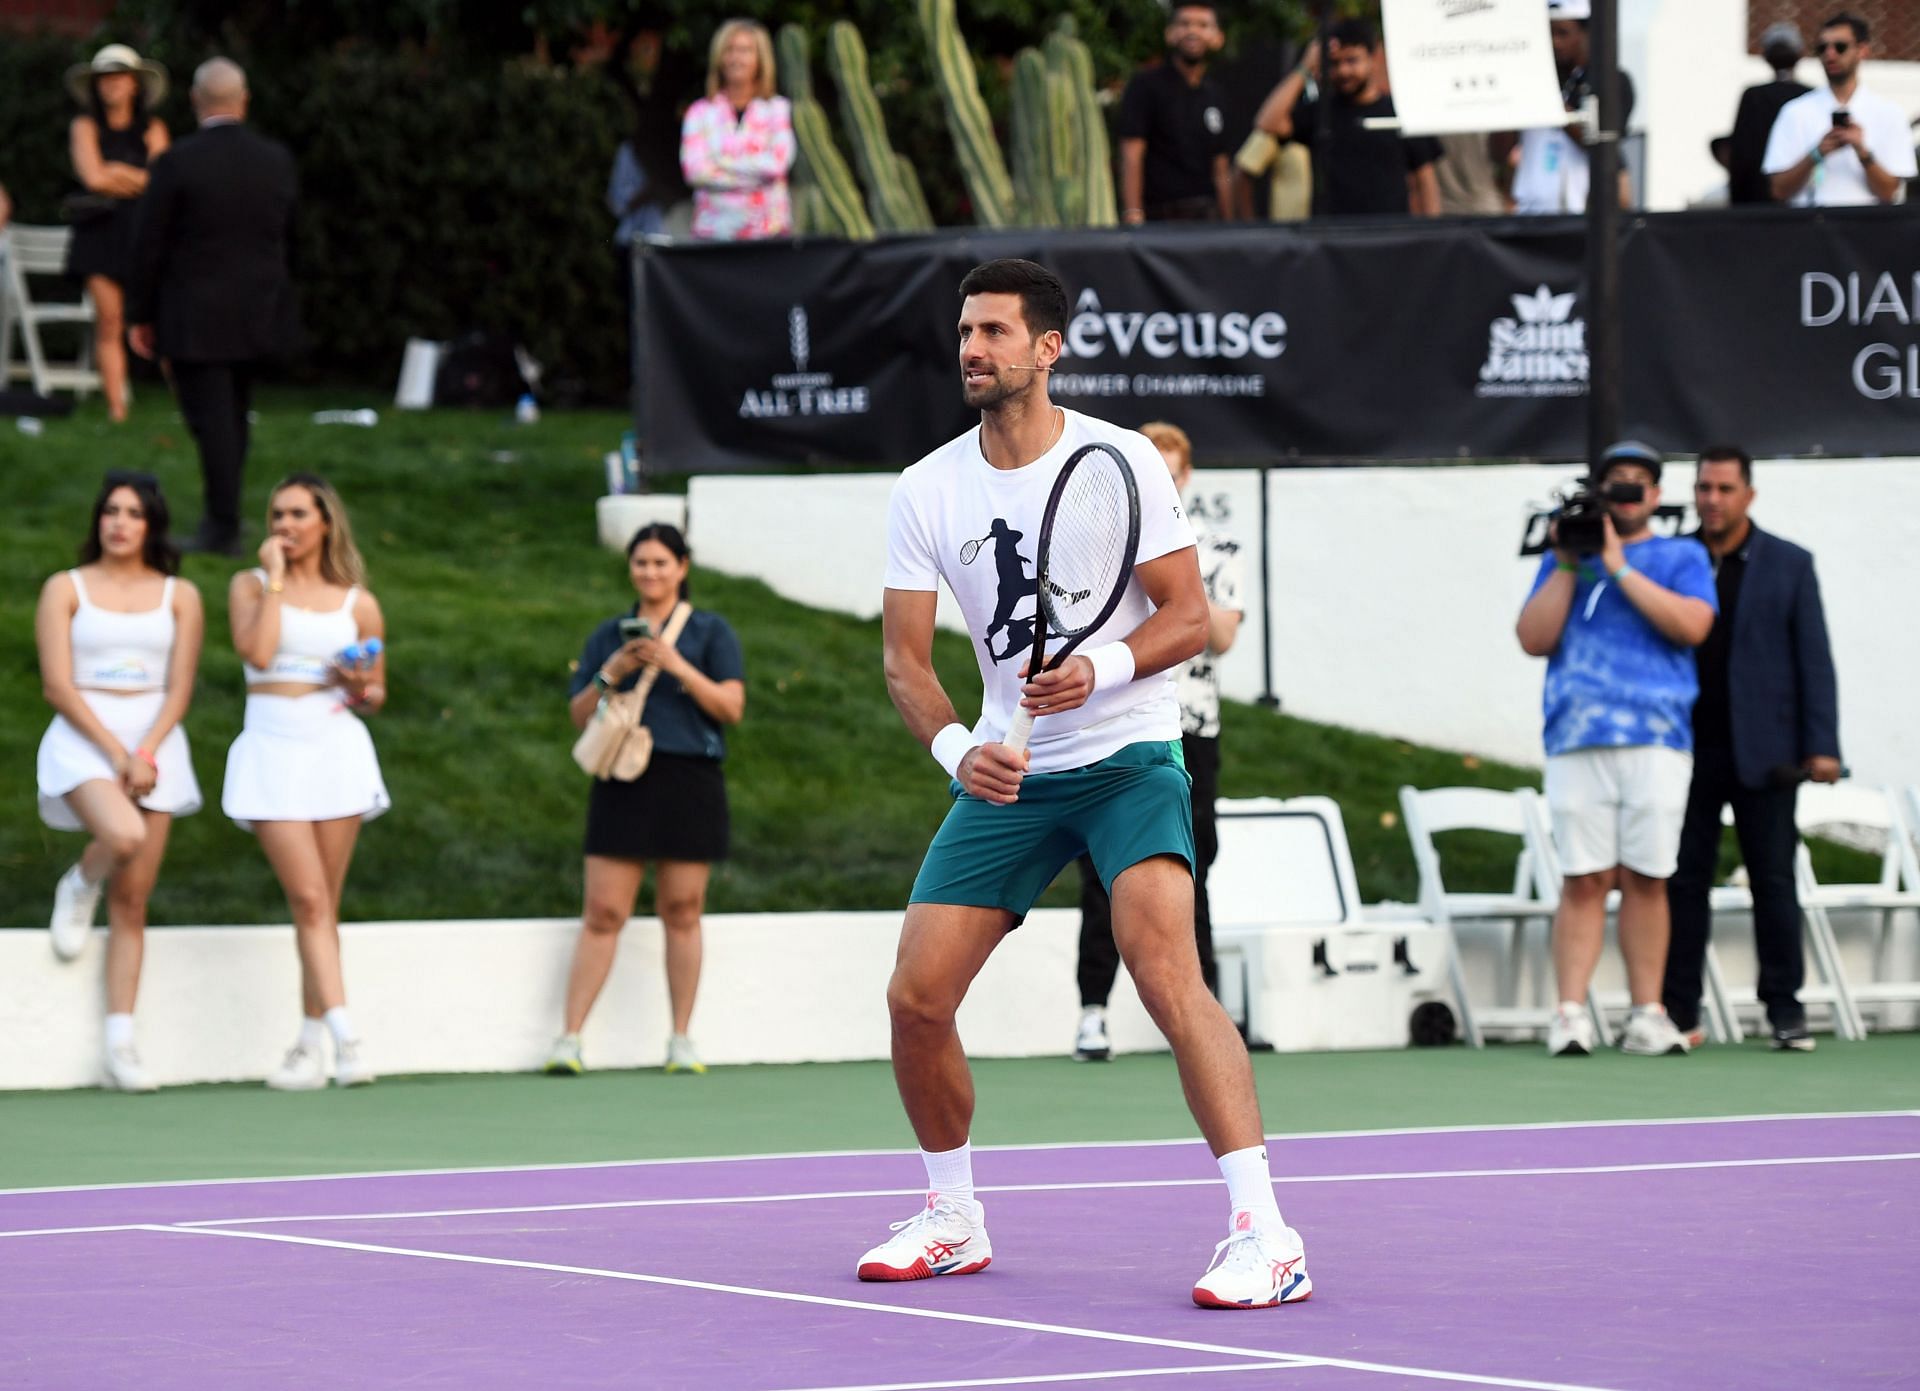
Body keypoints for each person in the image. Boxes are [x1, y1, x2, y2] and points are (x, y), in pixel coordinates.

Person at [869, 257, 1310, 1309]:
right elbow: (904, 661)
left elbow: (1188, 616)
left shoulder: (1122, 460)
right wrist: (954, 751)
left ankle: (1267, 1231)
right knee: (916, 998)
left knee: (1165, 972)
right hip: (1010, 776)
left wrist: (1100, 667)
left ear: (1046, 348)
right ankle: (952, 1216)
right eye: (965, 331)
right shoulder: (925, 487)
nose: (972, 348)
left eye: (993, 332)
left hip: (1130, 759)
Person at [1516, 441, 1717, 1058]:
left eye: (1637, 486)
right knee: (1584, 877)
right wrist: (1571, 563)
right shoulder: (1566, 560)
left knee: (1647, 877)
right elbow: (1533, 637)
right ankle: (1569, 1013)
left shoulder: (1681, 554)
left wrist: (1619, 564)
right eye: (1615, 486)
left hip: (1658, 738)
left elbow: (1693, 627)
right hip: (1578, 737)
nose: (1625, 496)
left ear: (1656, 496)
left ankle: (1646, 1013)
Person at [547, 523, 745, 1077]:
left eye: (661, 563)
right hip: (621, 776)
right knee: (603, 911)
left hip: (690, 777)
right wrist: (614, 671)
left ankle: (681, 1038)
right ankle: (569, 1038)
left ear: (682, 568)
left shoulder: (710, 632)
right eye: (641, 563)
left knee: (682, 910)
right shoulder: (607, 635)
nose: (650, 573)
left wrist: (675, 663)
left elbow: (731, 707)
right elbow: (579, 715)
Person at [1073, 420, 1243, 1063]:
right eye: (1151, 471)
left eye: (1171, 474)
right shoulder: (1092, 544)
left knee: (1193, 862)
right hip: (1110, 723)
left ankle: (1204, 1014)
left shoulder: (1214, 545)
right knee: (1101, 871)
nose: (1161, 484)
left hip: (1189, 725)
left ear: (1185, 477)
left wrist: (1178, 588)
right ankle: (1093, 1012)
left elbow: (1216, 633)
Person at [1664, 446, 1840, 1053]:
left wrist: (1821, 745)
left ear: (1749, 494)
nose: (1712, 499)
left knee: (1772, 880)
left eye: (1724, 488)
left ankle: (1785, 1010)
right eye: (1703, 488)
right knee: (1684, 880)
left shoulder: (1789, 564)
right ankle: (1677, 1012)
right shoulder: (1674, 558)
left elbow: (1813, 660)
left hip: (1767, 753)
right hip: (1685, 751)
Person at [35, 471, 203, 1092]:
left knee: (133, 902)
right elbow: (57, 684)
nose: (119, 522)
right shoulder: (65, 587)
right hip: (85, 738)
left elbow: (180, 685)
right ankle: (80, 881)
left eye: (133, 513)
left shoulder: (179, 594)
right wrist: (116, 753)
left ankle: (120, 1044)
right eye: (110, 510)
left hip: (154, 740)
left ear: (151, 524)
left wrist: (148, 749)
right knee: (122, 835)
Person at [224, 473, 389, 1090]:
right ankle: (350, 1038)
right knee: (309, 899)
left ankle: (308, 1042)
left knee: (323, 906)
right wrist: (273, 578)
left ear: (325, 521)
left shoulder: (358, 601)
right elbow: (259, 654)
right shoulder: (250, 585)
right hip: (271, 747)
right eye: (276, 515)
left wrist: (355, 683)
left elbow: (376, 693)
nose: (284, 525)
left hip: (336, 748)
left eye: (296, 514)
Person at [126, 58, 300, 557]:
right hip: (256, 308)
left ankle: (222, 525)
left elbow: (149, 244)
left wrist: (141, 314)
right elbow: (291, 236)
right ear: (243, 101)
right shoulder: (276, 160)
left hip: (195, 313)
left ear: (196, 101)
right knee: (235, 413)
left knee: (212, 419)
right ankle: (225, 513)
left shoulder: (178, 162)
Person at [62, 44, 171, 424]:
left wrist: (116, 173)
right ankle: (117, 411)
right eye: (105, 78)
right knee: (109, 322)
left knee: (162, 319)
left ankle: (187, 404)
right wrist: (134, 178)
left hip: (143, 234)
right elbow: (92, 176)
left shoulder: (153, 128)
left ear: (135, 84)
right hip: (99, 237)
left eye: (119, 77)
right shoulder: (84, 126)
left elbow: (161, 181)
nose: (112, 85)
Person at [1254, 22, 1443, 217]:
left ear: (1373, 58)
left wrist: (1430, 236)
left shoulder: (1400, 111)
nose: (1343, 71)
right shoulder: (1321, 112)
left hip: (1389, 236)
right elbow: (1267, 123)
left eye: (1352, 61)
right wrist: (1306, 66)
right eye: (1335, 63)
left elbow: (1425, 180)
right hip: (1332, 238)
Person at [1763, 13, 1915, 207]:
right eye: (1822, 48)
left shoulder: (1889, 114)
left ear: (1862, 50)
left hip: (1868, 230)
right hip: (1811, 227)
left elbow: (1889, 192)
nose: (1830, 54)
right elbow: (1779, 190)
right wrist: (1816, 153)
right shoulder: (1795, 112)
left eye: (1840, 47)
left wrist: (1862, 151)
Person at [1501, 0, 1635, 215]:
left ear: (1586, 32)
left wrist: (1554, 104)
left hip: (1586, 218)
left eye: (1563, 33)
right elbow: (1498, 151)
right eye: (1548, 33)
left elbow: (1603, 144)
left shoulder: (1610, 80)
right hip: (1531, 215)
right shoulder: (1530, 81)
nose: (1555, 42)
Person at [679, 19, 794, 241]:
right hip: (713, 236)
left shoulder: (777, 109)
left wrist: (721, 163)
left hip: (769, 234)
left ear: (760, 58)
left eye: (745, 50)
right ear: (719, 58)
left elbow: (777, 164)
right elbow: (695, 171)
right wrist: (757, 176)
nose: (736, 58)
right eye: (729, 50)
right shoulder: (700, 112)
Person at [1118, 2, 1233, 224]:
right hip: (1160, 217)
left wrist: (1229, 222)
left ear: (1218, 37)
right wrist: (1133, 213)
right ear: (1169, 34)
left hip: (1207, 216)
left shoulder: (1216, 94)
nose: (1193, 31)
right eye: (1184, 23)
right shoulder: (1146, 85)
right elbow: (1131, 154)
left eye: (1203, 25)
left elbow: (1221, 166)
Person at [1725, 24, 1810, 204]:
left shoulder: (1754, 97)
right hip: (1805, 211)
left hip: (1760, 207)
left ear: (1765, 56)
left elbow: (1740, 159)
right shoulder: (1811, 96)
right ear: (1801, 53)